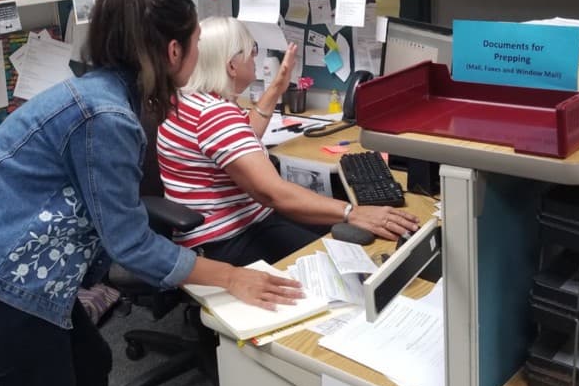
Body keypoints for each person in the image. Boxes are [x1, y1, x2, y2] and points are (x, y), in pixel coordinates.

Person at [0, 0, 302, 386]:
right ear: (174, 51)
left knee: (90, 362)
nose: (198, 55)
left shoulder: (107, 94)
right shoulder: (105, 115)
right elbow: (127, 241)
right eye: (196, 44)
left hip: (23, 273)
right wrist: (231, 277)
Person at [158, 17, 420, 267]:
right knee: (347, 257)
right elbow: (272, 193)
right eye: (252, 50)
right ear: (231, 66)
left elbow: (239, 140)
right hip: (228, 240)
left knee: (337, 229)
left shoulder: (186, 101)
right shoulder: (215, 116)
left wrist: (277, 87)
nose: (255, 57)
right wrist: (353, 212)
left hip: (215, 232)